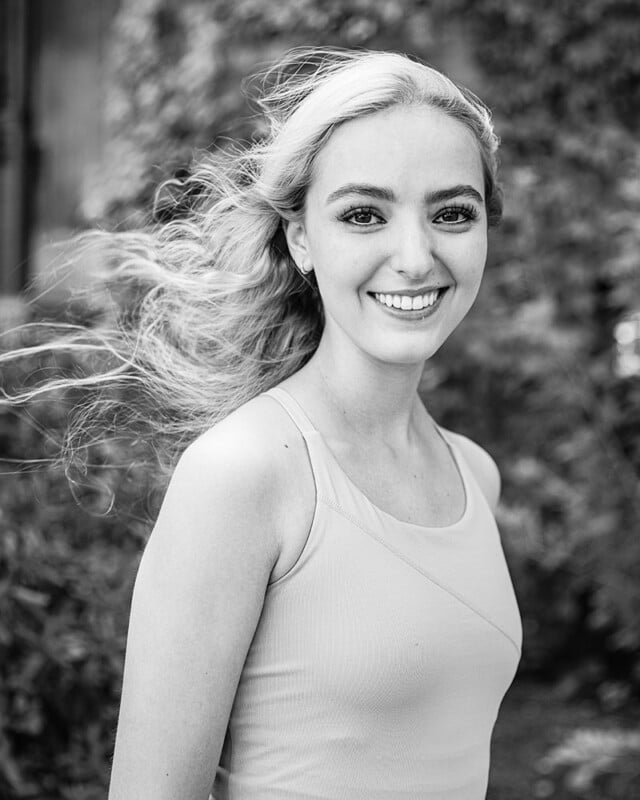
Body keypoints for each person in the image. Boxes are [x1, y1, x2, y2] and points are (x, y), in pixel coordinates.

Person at [79, 47, 523, 799]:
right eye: (362, 215)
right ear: (301, 239)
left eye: (452, 213)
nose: (415, 256)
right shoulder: (245, 474)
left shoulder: (474, 475)